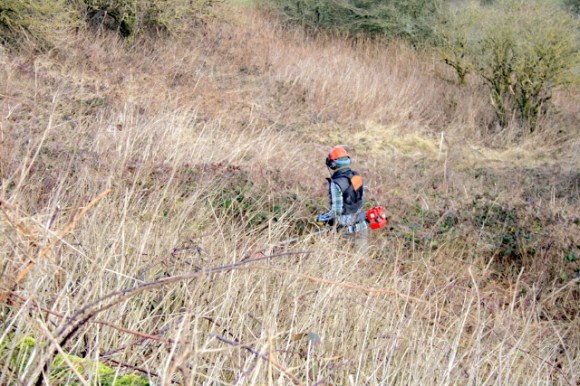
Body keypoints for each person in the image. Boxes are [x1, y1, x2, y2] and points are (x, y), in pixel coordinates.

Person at [316, 145, 369, 252]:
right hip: (362, 227)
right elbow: (360, 200)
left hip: (345, 232)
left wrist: (321, 218)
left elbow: (336, 211)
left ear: (332, 164)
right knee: (360, 262)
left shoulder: (336, 183)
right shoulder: (357, 177)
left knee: (344, 260)